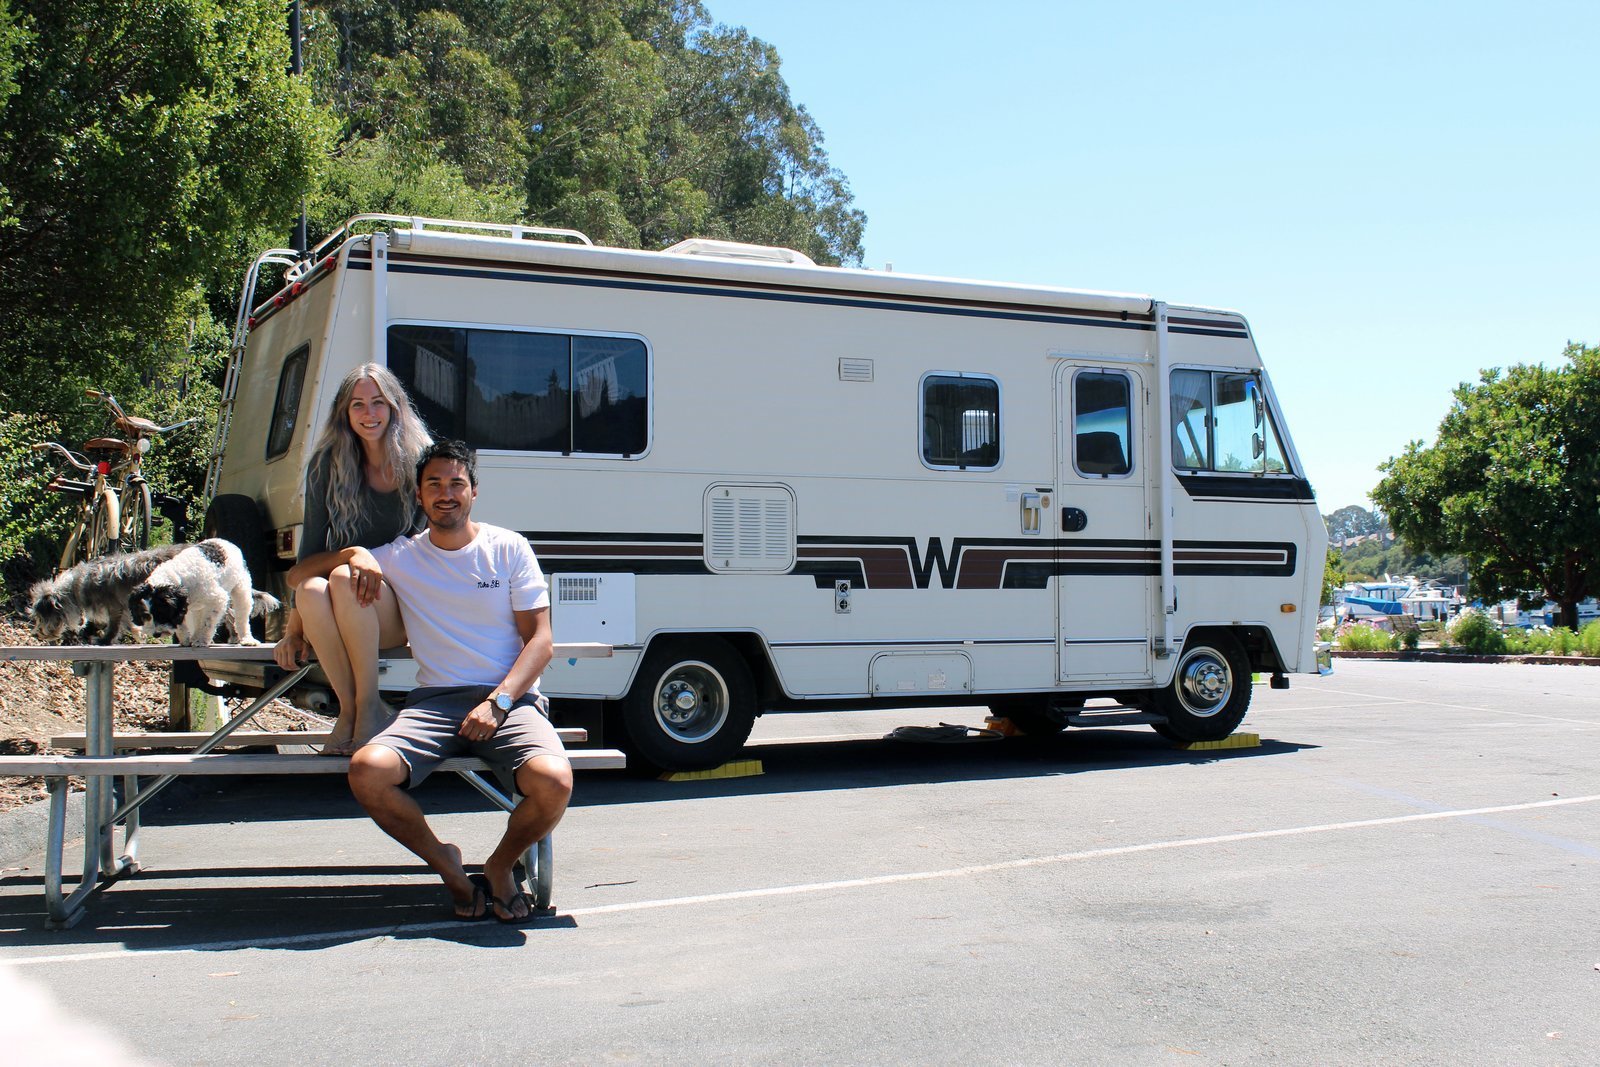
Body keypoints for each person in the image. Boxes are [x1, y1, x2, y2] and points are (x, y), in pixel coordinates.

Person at [347, 440, 571, 924]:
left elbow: (541, 641)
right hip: (434, 703)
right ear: (419, 494)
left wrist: (499, 702)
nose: (445, 494)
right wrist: (357, 555)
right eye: (434, 485)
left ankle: (499, 865)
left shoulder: (508, 548)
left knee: (554, 782)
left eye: (456, 484)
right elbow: (304, 574)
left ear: (473, 492)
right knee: (367, 772)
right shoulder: (401, 555)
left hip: (510, 702)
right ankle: (447, 864)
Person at [273, 363, 431, 754]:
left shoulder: (421, 460)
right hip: (339, 611)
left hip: (402, 609)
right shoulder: (327, 465)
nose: (369, 413)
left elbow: (432, 553)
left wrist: (358, 562)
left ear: (395, 407)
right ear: (344, 412)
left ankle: (361, 709)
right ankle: (358, 709)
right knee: (317, 585)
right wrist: (295, 628)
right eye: (357, 404)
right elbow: (302, 569)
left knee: (343, 579)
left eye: (378, 402)